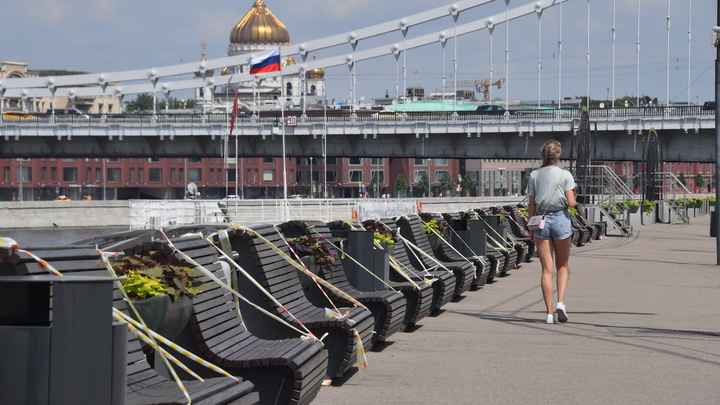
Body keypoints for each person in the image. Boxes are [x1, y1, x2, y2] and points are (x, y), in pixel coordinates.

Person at [527, 140, 577, 324]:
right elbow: (571, 203)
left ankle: (549, 314)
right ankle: (560, 303)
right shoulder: (565, 175)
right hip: (561, 221)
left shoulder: (534, 175)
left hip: (542, 220)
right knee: (562, 266)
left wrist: (531, 227)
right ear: (558, 156)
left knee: (546, 270)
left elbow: (531, 204)